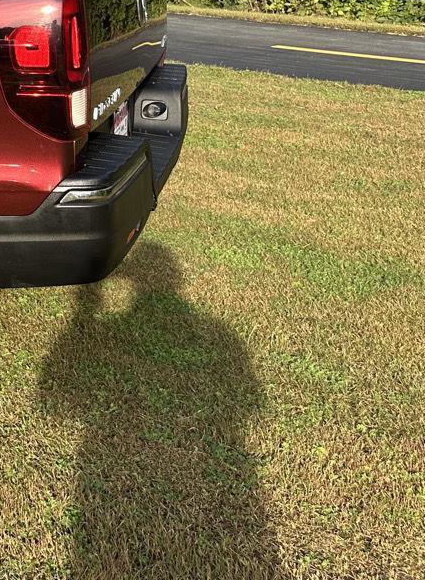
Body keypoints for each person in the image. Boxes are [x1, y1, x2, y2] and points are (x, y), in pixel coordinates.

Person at [39, 243, 282, 578]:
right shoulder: (215, 332)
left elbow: (58, 400)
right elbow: (251, 401)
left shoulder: (192, 333)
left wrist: (88, 306)